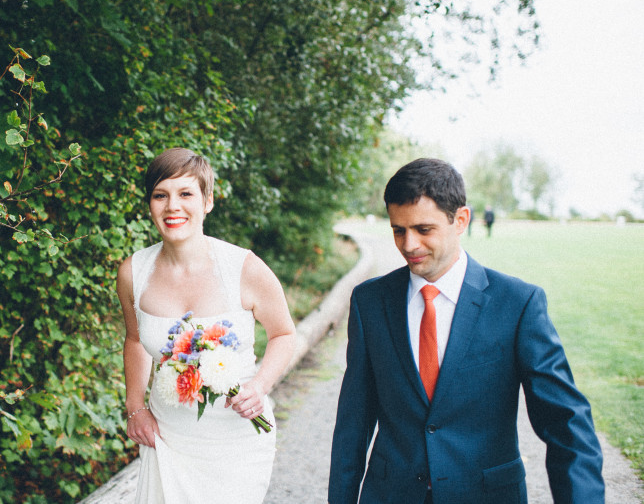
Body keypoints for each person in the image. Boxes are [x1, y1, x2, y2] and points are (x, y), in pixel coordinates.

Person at [328, 158, 604, 504]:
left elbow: (566, 424)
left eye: (423, 229)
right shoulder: (369, 301)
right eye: (399, 230)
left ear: (460, 220)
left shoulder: (518, 303)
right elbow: (353, 422)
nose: (409, 244)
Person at [118, 147, 296, 503]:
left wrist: (260, 386)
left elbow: (284, 334)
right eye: (160, 195)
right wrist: (135, 407)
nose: (172, 207)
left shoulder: (244, 268)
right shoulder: (132, 273)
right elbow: (136, 341)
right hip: (168, 436)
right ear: (149, 203)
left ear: (208, 201)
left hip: (237, 438)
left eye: (186, 194)